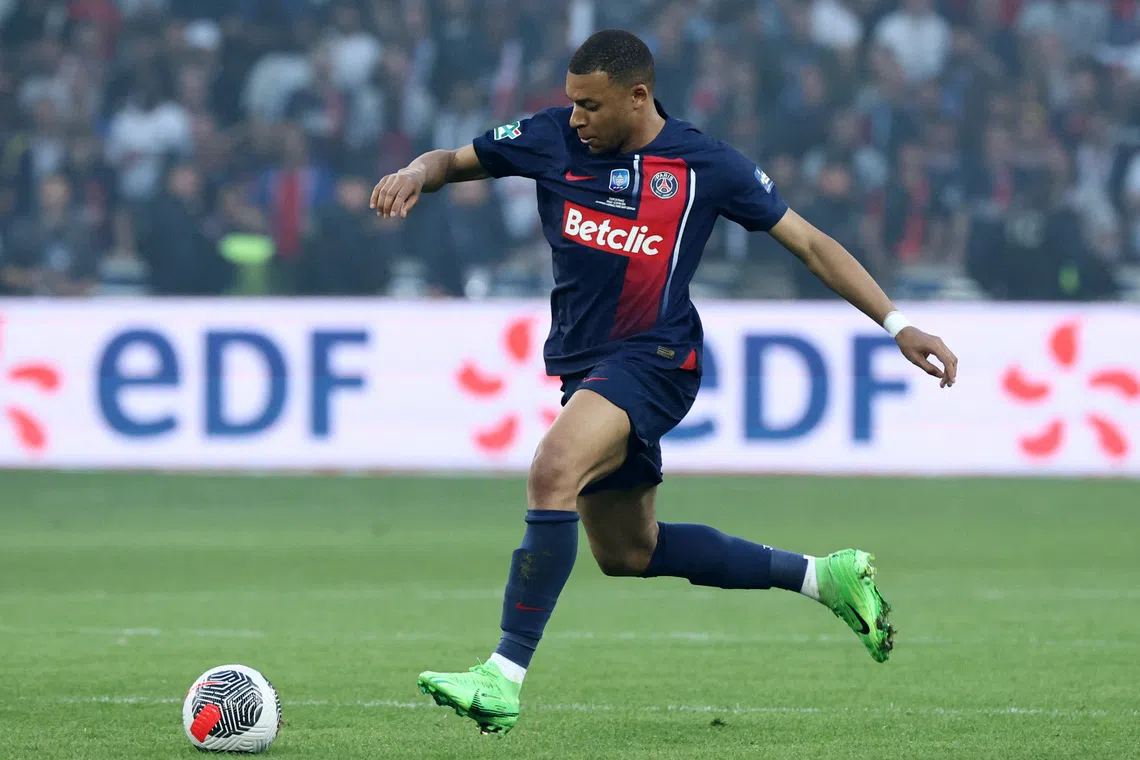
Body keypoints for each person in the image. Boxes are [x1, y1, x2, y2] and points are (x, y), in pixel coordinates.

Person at [370, 29, 958, 736]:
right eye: (571, 102)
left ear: (638, 96)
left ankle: (502, 676)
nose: (577, 117)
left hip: (654, 358)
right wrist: (414, 170)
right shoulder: (549, 137)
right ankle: (822, 576)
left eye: (590, 104)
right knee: (627, 552)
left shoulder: (703, 163)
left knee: (551, 470)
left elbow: (809, 244)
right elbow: (452, 160)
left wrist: (899, 326)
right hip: (589, 366)